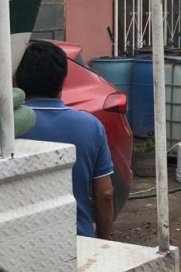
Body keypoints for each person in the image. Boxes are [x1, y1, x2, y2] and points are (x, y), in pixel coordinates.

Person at [16, 41, 115, 239]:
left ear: (18, 79)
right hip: (78, 240)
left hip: (19, 243)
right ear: (63, 80)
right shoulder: (90, 126)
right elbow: (105, 194)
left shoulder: (6, 128)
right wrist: (104, 243)